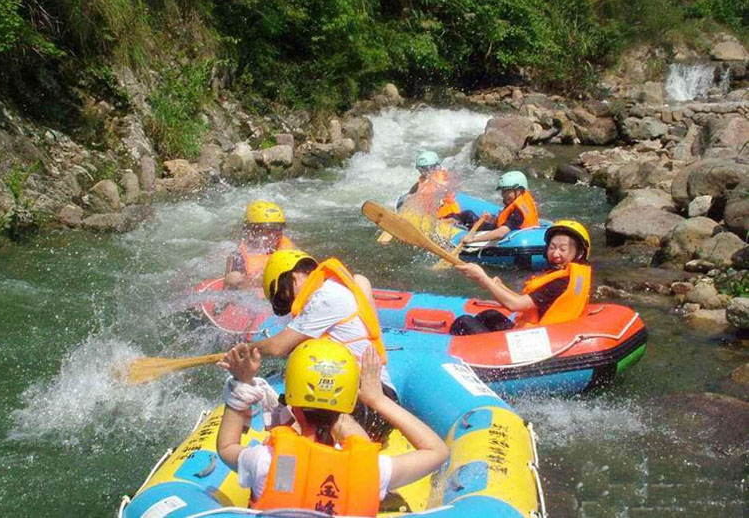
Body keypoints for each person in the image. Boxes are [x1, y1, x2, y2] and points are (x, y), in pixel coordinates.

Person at [216, 339, 449, 516]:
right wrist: (378, 400)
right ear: (347, 407)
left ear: (293, 405)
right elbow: (437, 452)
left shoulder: (265, 461)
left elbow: (227, 446)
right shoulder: (373, 470)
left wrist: (242, 383)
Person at [253, 249, 395, 441]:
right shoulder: (337, 287)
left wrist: (246, 350)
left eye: (285, 296)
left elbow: (278, 347)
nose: (291, 303)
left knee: (293, 412)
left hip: (368, 404)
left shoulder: (325, 297)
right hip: (377, 402)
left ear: (293, 277)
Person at [451, 220, 592, 335]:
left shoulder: (560, 282)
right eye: (552, 247)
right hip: (543, 334)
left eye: (562, 249)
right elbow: (531, 303)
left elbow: (515, 305)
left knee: (463, 322)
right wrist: (501, 287)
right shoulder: (566, 276)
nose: (555, 254)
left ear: (578, 253)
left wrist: (482, 278)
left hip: (538, 342)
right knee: (489, 315)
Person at [453, 171, 539, 244]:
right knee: (468, 214)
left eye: (507, 192)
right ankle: (446, 221)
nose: (503, 195)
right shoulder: (522, 200)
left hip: (505, 235)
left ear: (518, 191)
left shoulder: (517, 213)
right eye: (503, 192)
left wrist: (472, 239)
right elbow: (508, 222)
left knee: (468, 216)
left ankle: (446, 225)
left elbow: (500, 233)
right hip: (504, 228)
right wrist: (493, 219)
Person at [224, 201, 294, 289]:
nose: (274, 233)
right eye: (267, 228)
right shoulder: (238, 255)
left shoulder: (287, 247)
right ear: (252, 231)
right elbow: (231, 281)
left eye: (278, 228)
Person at [400, 151, 460, 219]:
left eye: (427, 169)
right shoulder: (419, 184)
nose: (424, 172)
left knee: (469, 215)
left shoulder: (444, 178)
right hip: (436, 217)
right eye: (421, 169)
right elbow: (408, 196)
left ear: (436, 167)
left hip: (449, 213)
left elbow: (453, 184)